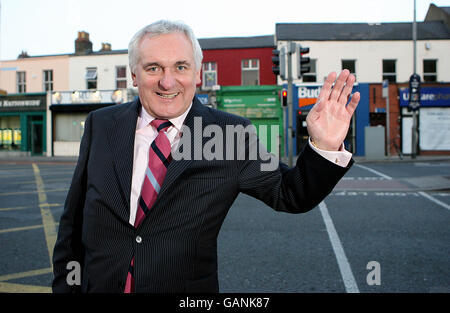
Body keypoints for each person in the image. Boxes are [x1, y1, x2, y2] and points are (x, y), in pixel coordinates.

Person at [52, 19, 360, 293]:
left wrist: (325, 146)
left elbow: (291, 193)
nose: (167, 81)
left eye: (180, 67)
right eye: (153, 68)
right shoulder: (101, 124)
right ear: (134, 75)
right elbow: (74, 221)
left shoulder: (231, 134)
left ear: (198, 74)